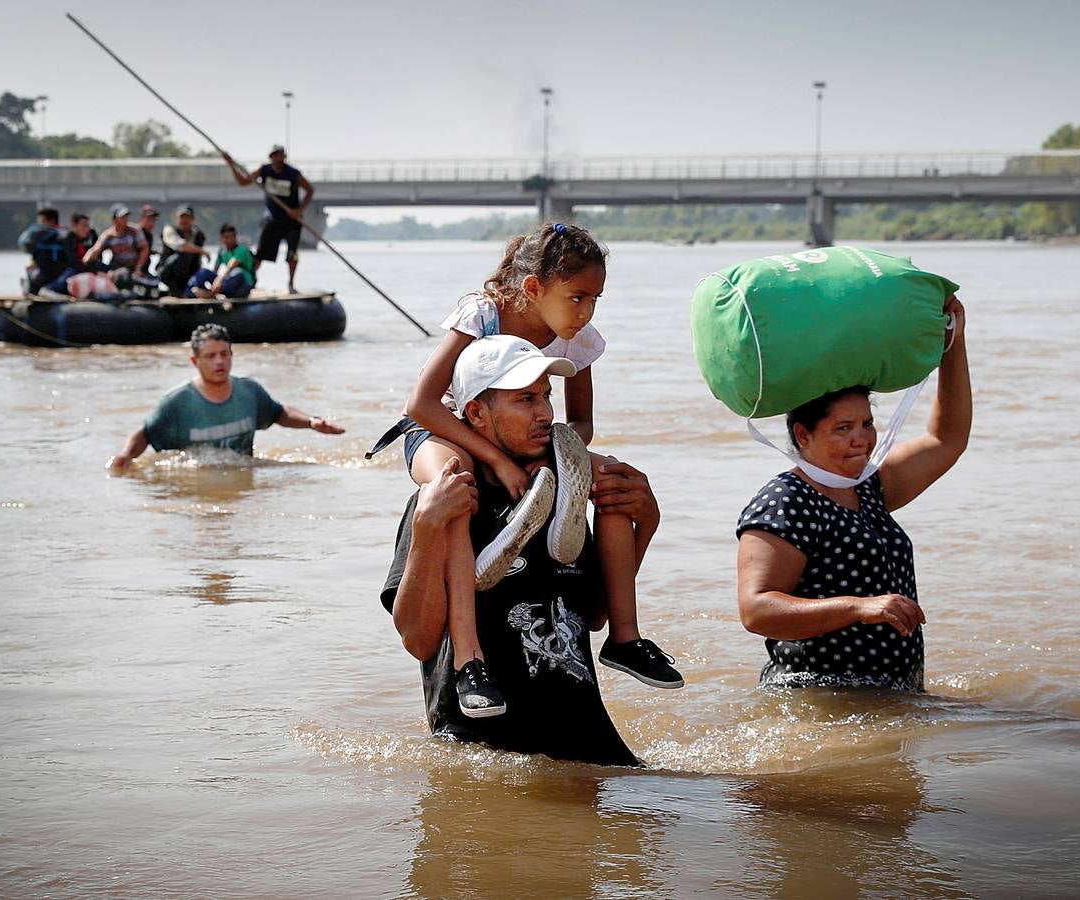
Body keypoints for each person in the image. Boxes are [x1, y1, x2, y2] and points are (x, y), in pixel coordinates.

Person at [370, 223, 681, 718]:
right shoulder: (485, 313)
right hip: (444, 429)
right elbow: (424, 404)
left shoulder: (577, 341)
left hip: (527, 446)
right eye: (577, 297)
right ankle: (470, 659)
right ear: (534, 288)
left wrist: (555, 460)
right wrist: (497, 458)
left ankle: (626, 637)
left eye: (596, 299)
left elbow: (580, 422)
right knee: (454, 480)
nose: (586, 311)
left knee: (613, 477)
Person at [382, 337, 662, 765]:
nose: (546, 413)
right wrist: (426, 526)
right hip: (484, 753)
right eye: (526, 399)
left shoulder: (559, 493)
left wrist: (646, 524)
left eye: (547, 396)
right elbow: (418, 640)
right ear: (476, 413)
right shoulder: (446, 502)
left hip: (586, 742)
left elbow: (593, 614)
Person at [735, 296, 971, 691]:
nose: (861, 439)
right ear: (803, 435)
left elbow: (946, 439)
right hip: (820, 697)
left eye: (867, 423)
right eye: (843, 428)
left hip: (890, 696)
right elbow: (756, 610)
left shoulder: (870, 488)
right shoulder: (784, 501)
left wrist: (953, 345)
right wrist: (859, 608)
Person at [107, 323, 343, 469]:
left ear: (232, 355)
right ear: (194, 361)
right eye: (210, 356)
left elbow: (279, 413)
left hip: (242, 479)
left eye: (224, 354)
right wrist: (125, 456)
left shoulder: (249, 391)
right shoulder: (176, 403)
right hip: (196, 486)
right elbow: (146, 434)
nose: (219, 361)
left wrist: (312, 422)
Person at [222, 144, 313, 293]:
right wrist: (231, 164)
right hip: (273, 220)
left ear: (284, 157)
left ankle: (291, 284)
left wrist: (299, 210)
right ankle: (250, 279)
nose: (277, 159)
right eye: (274, 156)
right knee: (261, 254)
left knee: (292, 254)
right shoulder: (264, 171)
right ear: (271, 157)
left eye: (280, 155)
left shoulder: (293, 173)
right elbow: (243, 182)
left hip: (292, 221)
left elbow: (310, 190)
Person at [185, 224, 256, 299]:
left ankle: (210, 294)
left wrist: (218, 281)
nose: (228, 240)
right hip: (226, 283)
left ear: (235, 238)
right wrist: (213, 283)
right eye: (225, 237)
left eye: (230, 237)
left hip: (243, 285)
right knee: (203, 272)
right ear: (221, 238)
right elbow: (215, 270)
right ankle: (190, 293)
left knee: (238, 272)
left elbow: (230, 266)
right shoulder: (222, 251)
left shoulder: (242, 250)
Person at [156, 205, 209, 297]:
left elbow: (197, 260)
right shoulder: (169, 230)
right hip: (168, 272)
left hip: (187, 275)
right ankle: (178, 292)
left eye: (187, 217)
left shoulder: (197, 235)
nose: (184, 220)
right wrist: (202, 251)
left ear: (192, 219)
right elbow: (181, 246)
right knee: (183, 254)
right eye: (182, 217)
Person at [84, 204, 149, 277]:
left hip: (134, 267)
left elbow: (144, 249)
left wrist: (138, 268)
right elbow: (96, 248)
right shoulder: (109, 234)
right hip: (117, 267)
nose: (125, 219)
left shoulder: (135, 231)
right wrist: (86, 259)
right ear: (114, 219)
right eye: (122, 217)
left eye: (126, 216)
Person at [16, 207, 67, 294]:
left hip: (42, 275)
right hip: (62, 275)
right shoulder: (65, 233)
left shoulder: (37, 233)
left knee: (31, 271)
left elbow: (23, 245)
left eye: (42, 220)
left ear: (51, 221)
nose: (40, 224)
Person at [137, 204, 160, 277]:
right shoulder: (137, 233)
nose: (151, 223)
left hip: (145, 270)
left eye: (153, 220)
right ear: (141, 219)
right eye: (148, 219)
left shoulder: (149, 235)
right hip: (136, 271)